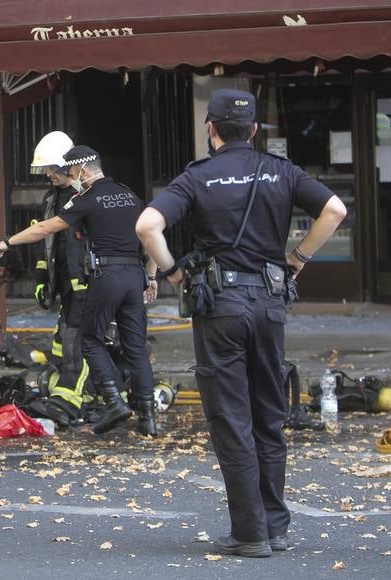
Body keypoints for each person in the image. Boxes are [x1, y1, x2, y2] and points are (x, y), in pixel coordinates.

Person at [136, 89, 346, 558]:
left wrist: (172, 273)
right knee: (268, 417)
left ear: (211, 129)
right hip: (270, 303)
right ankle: (275, 527)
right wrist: (297, 258)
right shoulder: (280, 170)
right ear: (253, 130)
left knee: (231, 419)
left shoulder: (197, 177)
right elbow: (335, 210)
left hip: (220, 307)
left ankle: (249, 533)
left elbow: (148, 226)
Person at [0, 145, 159, 436]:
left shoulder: (87, 198)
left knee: (90, 340)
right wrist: (152, 277)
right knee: (136, 349)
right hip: (134, 277)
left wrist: (7, 242)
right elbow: (153, 234)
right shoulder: (129, 194)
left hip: (107, 277)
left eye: (70, 172)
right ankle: (148, 421)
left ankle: (114, 403)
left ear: (83, 170)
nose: (69, 177)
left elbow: (45, 228)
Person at [28, 131, 92, 425]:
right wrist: (42, 279)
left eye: (52, 168)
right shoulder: (51, 199)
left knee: (76, 340)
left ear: (69, 166)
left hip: (87, 282)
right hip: (64, 281)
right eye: (46, 170)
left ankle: (67, 402)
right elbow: (48, 244)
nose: (48, 175)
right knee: (65, 340)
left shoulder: (88, 195)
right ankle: (85, 393)